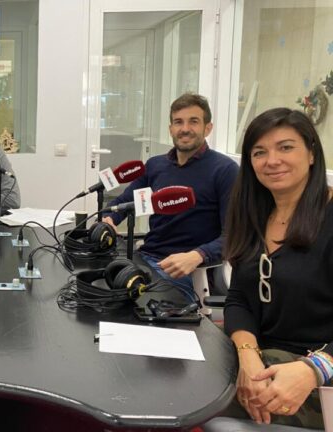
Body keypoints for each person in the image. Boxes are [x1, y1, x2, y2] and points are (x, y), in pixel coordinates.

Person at [222, 108, 332, 429]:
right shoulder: (253, 215)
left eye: (286, 147)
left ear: (312, 154)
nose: (272, 160)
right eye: (260, 152)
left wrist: (313, 369)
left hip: (317, 376)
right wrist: (247, 355)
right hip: (262, 361)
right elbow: (239, 299)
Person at [102, 93, 238, 293]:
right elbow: (123, 202)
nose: (185, 129)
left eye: (193, 122)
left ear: (208, 128)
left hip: (188, 272)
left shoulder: (225, 170)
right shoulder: (156, 165)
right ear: (171, 129)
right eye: (178, 122)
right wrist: (109, 219)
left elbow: (235, 236)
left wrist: (198, 255)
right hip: (147, 259)